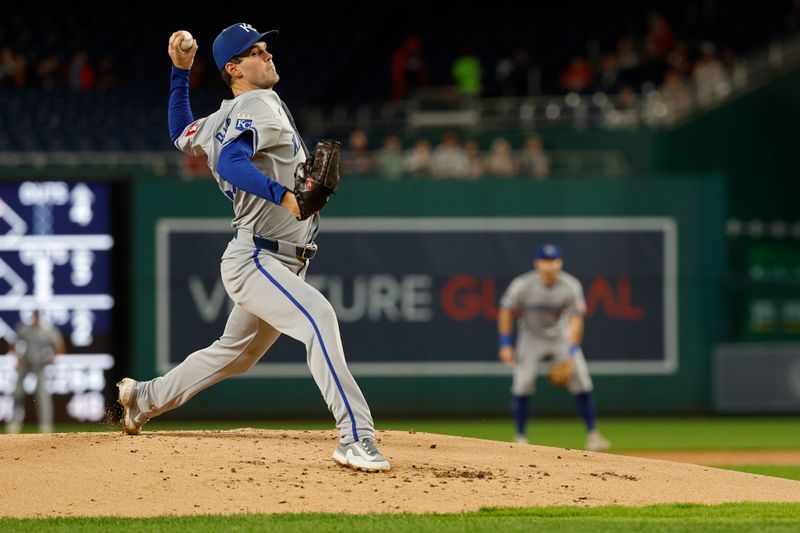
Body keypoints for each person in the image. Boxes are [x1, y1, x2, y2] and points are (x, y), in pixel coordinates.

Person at [115, 23, 390, 472]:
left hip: (273, 256)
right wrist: (285, 196)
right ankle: (355, 436)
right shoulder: (259, 103)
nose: (268, 55)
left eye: (265, 48)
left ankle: (144, 398)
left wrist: (179, 72)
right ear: (234, 68)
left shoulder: (222, 117)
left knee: (235, 354)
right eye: (255, 52)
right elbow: (231, 160)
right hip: (258, 257)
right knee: (319, 317)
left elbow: (181, 130)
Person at [497, 244, 610, 452]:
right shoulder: (523, 284)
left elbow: (575, 320)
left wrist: (572, 350)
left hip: (560, 335)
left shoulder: (570, 286)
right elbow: (506, 310)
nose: (549, 265)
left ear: (560, 263)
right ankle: (520, 436)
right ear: (537, 263)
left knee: (582, 381)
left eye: (553, 261)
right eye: (545, 261)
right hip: (531, 336)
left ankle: (593, 435)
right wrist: (505, 344)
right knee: (523, 383)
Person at [6, 310, 65, 434]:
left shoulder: (48, 331)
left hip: (41, 364)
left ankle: (45, 426)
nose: (37, 319)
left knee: (43, 396)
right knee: (17, 392)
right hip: (26, 363)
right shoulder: (25, 329)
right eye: (35, 317)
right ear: (33, 317)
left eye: (39, 317)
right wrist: (18, 358)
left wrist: (50, 360)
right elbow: (13, 344)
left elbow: (59, 347)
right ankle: (15, 422)